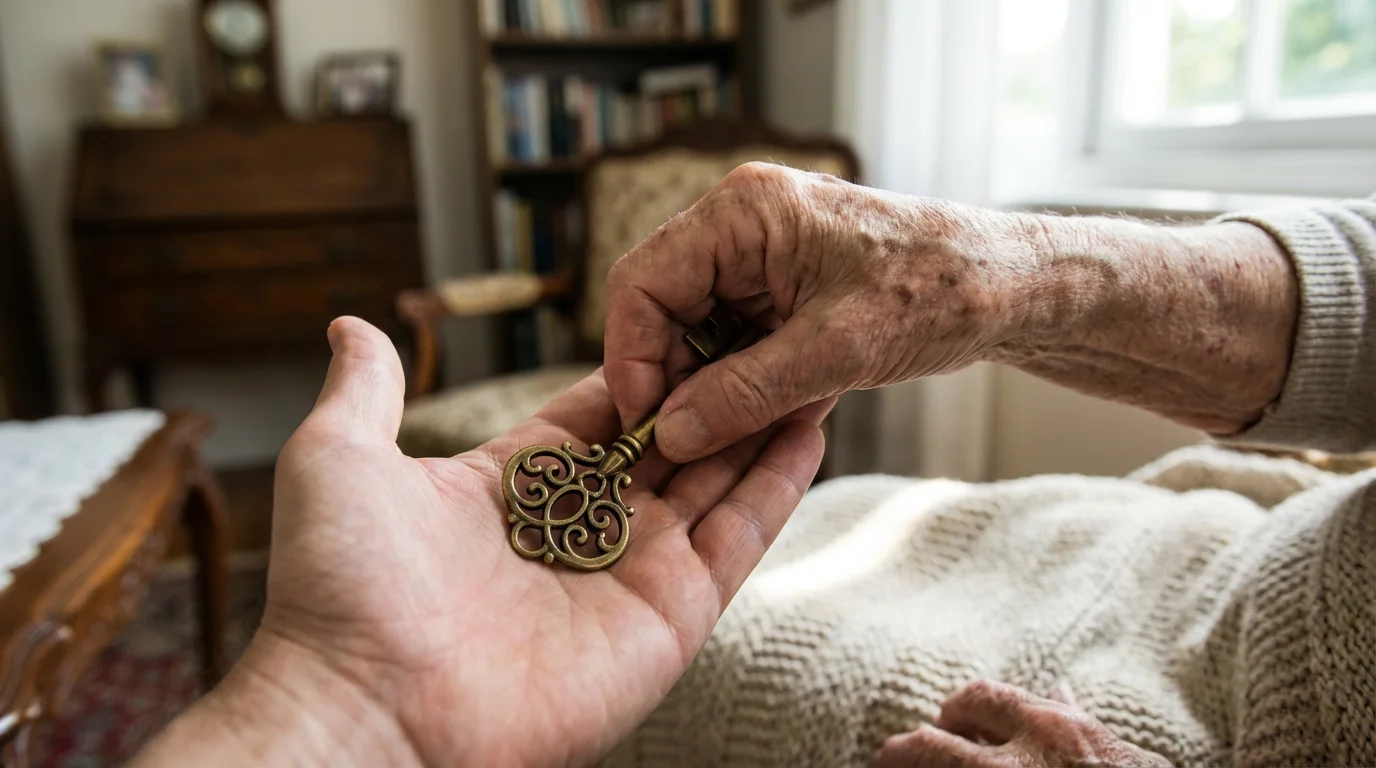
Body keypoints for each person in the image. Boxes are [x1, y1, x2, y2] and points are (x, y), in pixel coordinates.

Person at [131, 165, 1376, 767]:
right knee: (841, 512)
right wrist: (342, 704)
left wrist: (344, 717)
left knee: (698, 656)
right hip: (1224, 551)